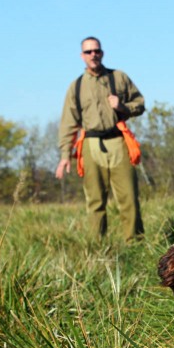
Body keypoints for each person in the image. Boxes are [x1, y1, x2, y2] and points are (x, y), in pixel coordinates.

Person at [55, 36, 145, 241]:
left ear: (102, 53)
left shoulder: (119, 77)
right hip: (90, 144)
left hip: (119, 140)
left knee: (129, 197)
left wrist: (122, 106)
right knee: (95, 200)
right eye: (88, 52)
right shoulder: (76, 87)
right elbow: (68, 123)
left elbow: (139, 104)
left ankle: (135, 244)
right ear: (82, 56)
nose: (93, 55)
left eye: (96, 51)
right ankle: (97, 246)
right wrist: (64, 156)